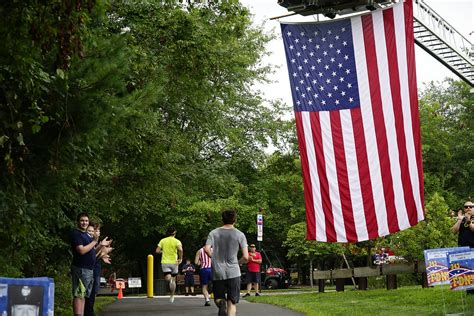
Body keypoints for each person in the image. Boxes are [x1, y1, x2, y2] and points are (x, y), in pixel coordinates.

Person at [204, 209, 249, 316]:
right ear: (235, 220)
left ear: (222, 219)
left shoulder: (213, 233)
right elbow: (246, 257)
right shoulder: (240, 235)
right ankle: (225, 304)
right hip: (234, 272)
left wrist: (214, 257)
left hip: (218, 271)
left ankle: (221, 303)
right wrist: (238, 262)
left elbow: (206, 249)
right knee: (232, 302)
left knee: (218, 298)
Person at [70, 212, 101, 316]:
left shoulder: (85, 235)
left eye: (86, 221)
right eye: (82, 220)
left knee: (83, 295)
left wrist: (100, 245)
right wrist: (94, 241)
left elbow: (92, 252)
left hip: (89, 269)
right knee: (79, 294)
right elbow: (81, 250)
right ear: (78, 222)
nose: (84, 223)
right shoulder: (76, 234)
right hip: (81, 268)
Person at [84, 221, 112, 316]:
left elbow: (96, 254)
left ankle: (90, 311)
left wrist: (104, 254)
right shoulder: (89, 241)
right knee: (91, 291)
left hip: (96, 265)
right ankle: (88, 312)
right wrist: (102, 248)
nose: (98, 232)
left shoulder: (94, 241)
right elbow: (92, 255)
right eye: (97, 230)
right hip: (91, 267)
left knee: (94, 290)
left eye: (98, 230)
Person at [451, 200, 474, 294]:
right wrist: (460, 220)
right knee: (466, 270)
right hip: (463, 249)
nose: (468, 208)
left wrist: (468, 220)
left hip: (473, 248)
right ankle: (469, 291)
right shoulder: (462, 219)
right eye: (466, 207)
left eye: (470, 206)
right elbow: (453, 231)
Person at [155, 227, 183, 303]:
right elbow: (180, 249)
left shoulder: (163, 240)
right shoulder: (177, 241)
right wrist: (180, 258)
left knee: (167, 277)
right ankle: (172, 295)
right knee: (173, 280)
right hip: (174, 262)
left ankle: (169, 279)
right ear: (175, 233)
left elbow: (157, 251)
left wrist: (163, 251)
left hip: (165, 262)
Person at [195, 241, 212, 306]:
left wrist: (200, 261)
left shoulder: (199, 251)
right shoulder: (212, 250)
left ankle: (207, 300)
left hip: (203, 270)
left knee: (204, 286)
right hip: (212, 269)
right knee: (215, 283)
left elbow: (196, 262)